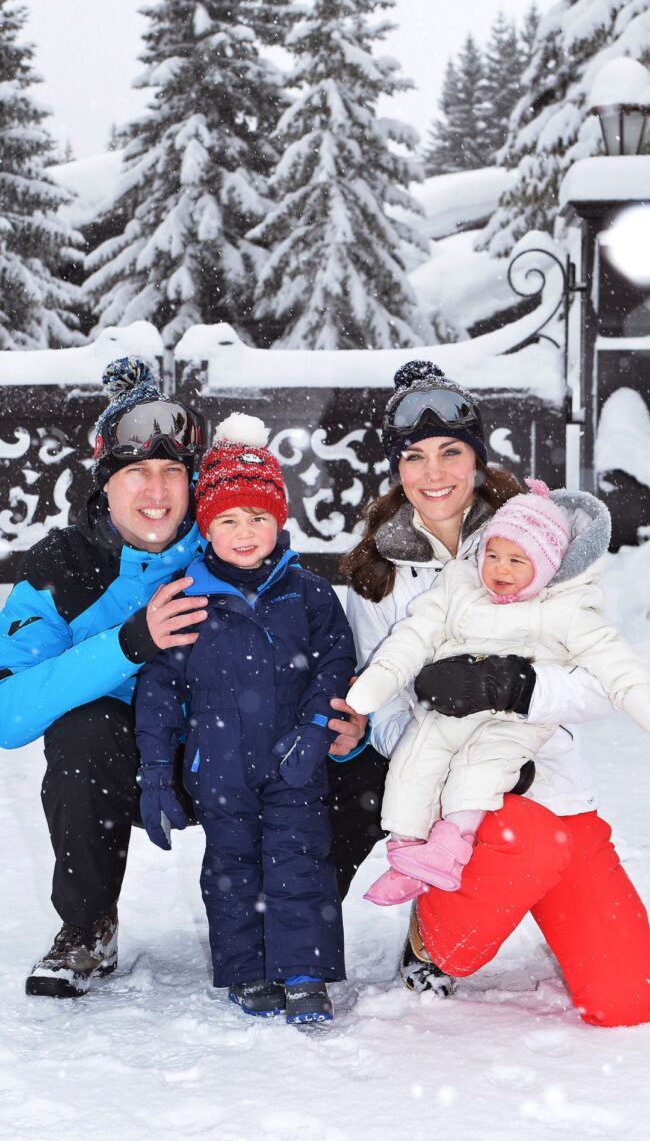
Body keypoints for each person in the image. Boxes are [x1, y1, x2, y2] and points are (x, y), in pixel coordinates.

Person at [340, 359, 650, 1026]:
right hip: (470, 805)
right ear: (397, 469)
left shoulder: (534, 536)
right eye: (415, 457)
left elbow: (599, 676)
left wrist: (518, 688)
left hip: (561, 793)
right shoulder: (381, 575)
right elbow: (385, 710)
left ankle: (536, 895)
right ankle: (432, 939)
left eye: (451, 453)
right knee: (515, 840)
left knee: (629, 1000)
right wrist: (453, 741)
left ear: (476, 458)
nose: (434, 474)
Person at [134, 413, 356, 1024]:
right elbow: (157, 688)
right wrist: (157, 771)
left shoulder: (308, 592)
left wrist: (315, 728)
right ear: (207, 527)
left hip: (294, 760)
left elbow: (337, 662)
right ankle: (247, 970)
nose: (244, 531)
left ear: (278, 520)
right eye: (228, 519)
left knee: (299, 862)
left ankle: (305, 973)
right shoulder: (185, 596)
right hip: (220, 769)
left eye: (258, 517)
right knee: (231, 870)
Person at [0, 356, 211, 997]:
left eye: (171, 471)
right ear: (104, 483)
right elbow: (10, 713)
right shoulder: (59, 566)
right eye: (136, 473)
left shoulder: (227, 543)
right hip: (120, 759)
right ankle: (88, 927)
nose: (156, 492)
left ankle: (280, 926)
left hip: (219, 747)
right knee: (82, 731)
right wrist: (129, 643)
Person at [347, 478, 650, 903]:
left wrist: (516, 686)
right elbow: (412, 637)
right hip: (449, 712)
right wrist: (381, 683)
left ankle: (449, 846)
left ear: (545, 566)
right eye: (492, 555)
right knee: (416, 758)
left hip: (515, 726)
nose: (500, 569)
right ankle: (407, 851)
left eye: (516, 560)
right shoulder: (461, 588)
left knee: (477, 770)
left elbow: (618, 672)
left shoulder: (564, 609)